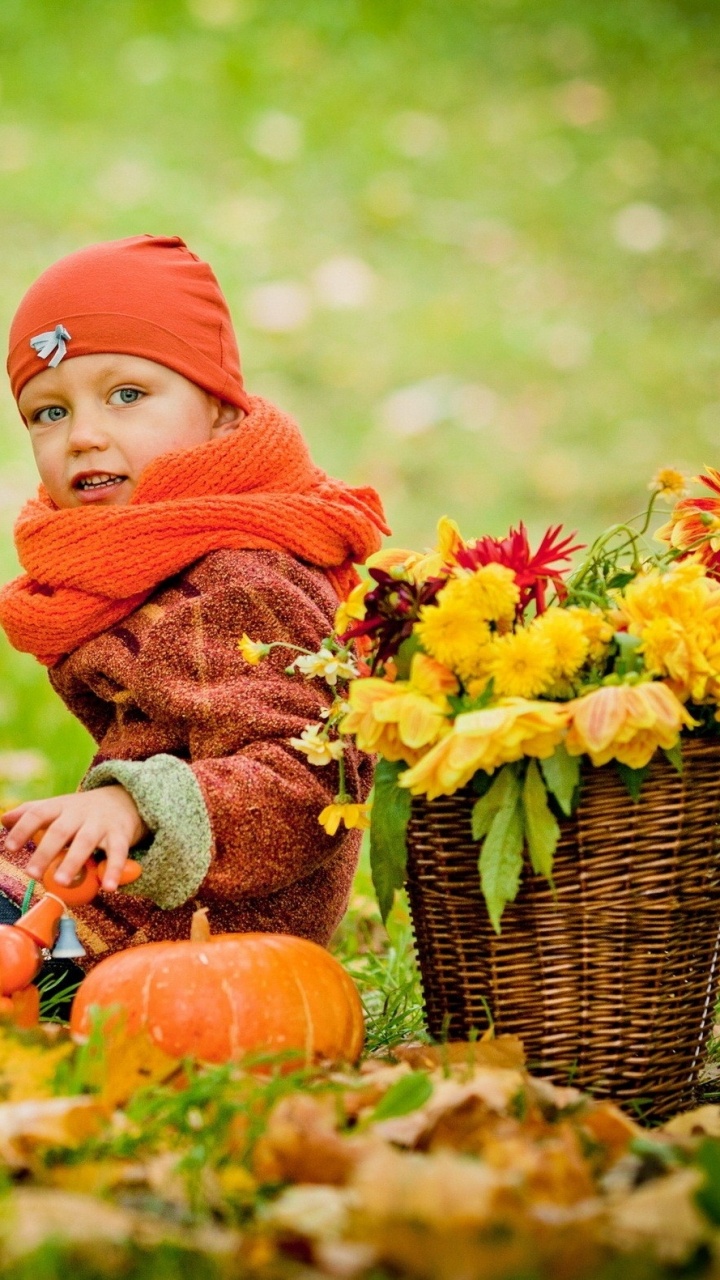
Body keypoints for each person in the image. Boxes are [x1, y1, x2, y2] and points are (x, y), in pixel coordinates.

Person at [0, 234, 387, 965]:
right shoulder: (154, 561)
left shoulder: (243, 581)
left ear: (221, 411)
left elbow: (309, 779)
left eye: (127, 395)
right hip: (119, 895)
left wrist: (135, 805)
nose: (83, 436)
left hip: (188, 934)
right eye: (48, 412)